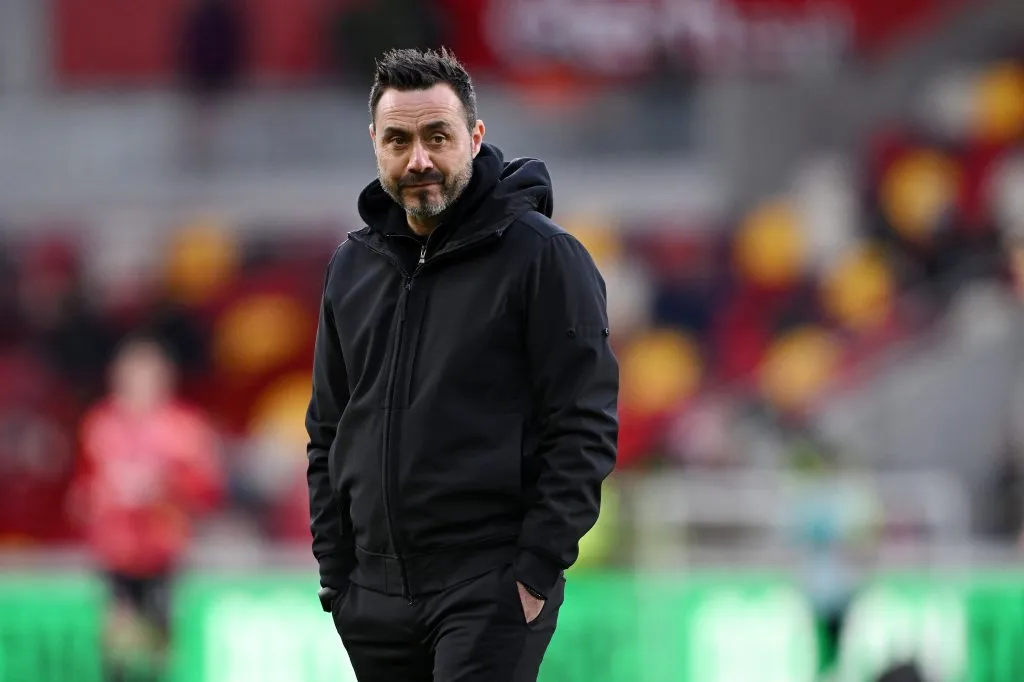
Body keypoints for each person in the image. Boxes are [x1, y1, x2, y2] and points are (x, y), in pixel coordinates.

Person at [306, 47, 619, 681]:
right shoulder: (352, 266)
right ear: (375, 144)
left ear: (474, 138)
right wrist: (338, 577)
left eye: (436, 136)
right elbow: (327, 429)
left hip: (488, 584)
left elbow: (584, 424)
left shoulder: (544, 257)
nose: (418, 159)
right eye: (398, 140)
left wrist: (536, 566)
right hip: (373, 594)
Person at [71, 335, 223, 682]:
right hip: (116, 554)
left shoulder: (184, 427)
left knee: (159, 650)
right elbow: (81, 492)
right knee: (119, 648)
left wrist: (164, 487)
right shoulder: (100, 424)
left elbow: (208, 491)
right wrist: (103, 495)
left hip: (165, 553)